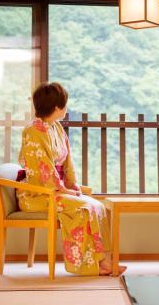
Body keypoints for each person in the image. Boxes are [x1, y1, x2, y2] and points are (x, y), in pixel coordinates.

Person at [17, 82, 126, 276]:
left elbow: (67, 162)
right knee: (83, 207)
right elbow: (41, 168)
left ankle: (103, 261)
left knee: (96, 206)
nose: (66, 107)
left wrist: (71, 185)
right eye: (64, 104)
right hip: (37, 193)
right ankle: (94, 265)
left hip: (55, 190)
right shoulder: (33, 132)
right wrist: (62, 189)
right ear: (57, 107)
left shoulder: (56, 128)